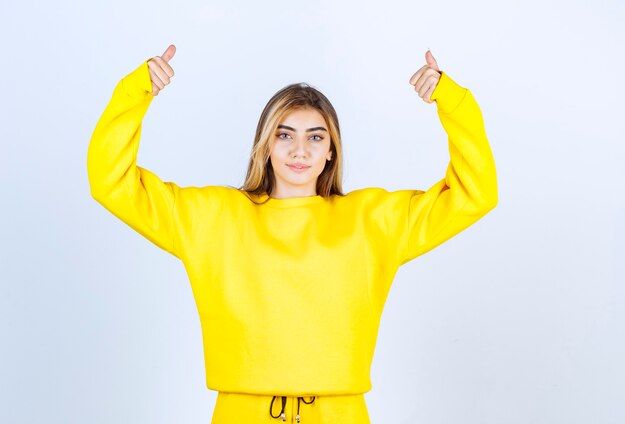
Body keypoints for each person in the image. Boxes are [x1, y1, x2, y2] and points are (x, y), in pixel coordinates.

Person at [87, 43, 497, 423]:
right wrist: (137, 91)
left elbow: (473, 193)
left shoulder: (372, 221)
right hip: (240, 411)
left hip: (340, 412)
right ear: (265, 144)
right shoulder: (212, 217)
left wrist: (452, 102)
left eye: (315, 137)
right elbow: (112, 181)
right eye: (285, 135)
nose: (300, 151)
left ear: (331, 149)